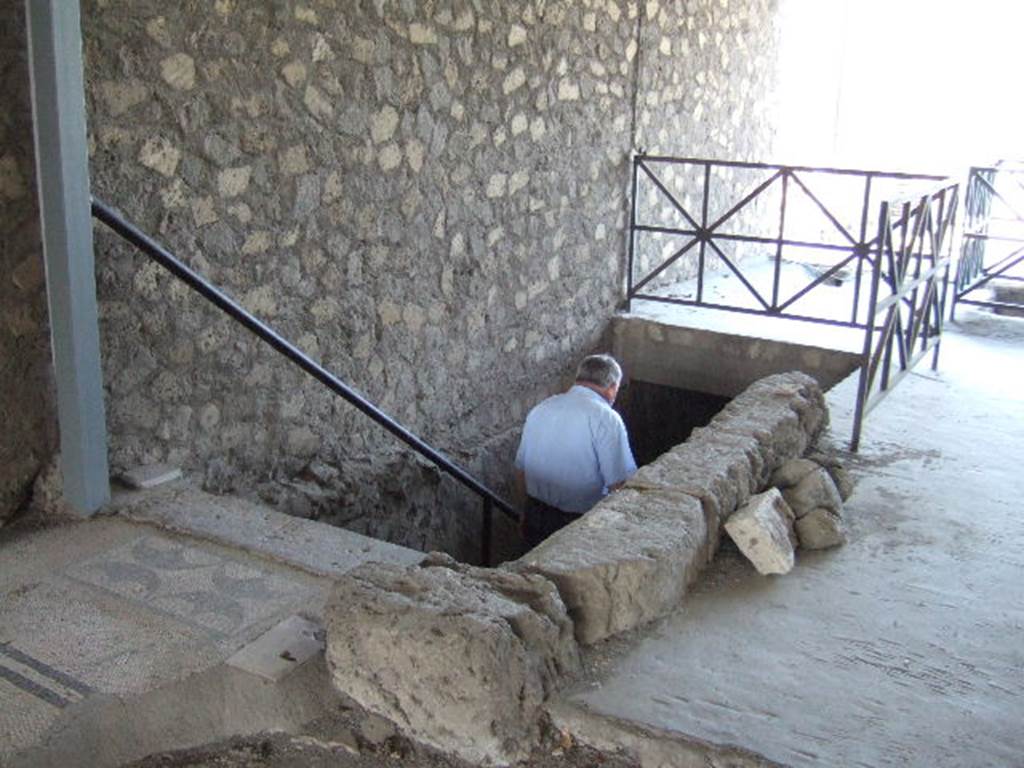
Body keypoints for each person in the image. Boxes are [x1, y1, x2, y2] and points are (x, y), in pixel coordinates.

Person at [514, 353, 637, 549]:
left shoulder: (542, 408)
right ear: (613, 387)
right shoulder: (606, 418)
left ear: (578, 379)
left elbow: (521, 470)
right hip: (577, 524)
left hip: (535, 515)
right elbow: (619, 483)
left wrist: (524, 513)